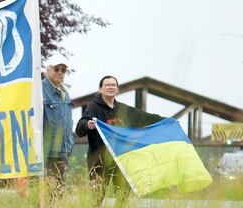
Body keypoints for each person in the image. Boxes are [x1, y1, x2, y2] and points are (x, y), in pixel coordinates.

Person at [75, 75, 163, 197]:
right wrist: (87, 125)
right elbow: (79, 129)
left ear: (117, 89)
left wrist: (166, 121)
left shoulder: (123, 109)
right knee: (97, 197)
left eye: (113, 85)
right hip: (99, 161)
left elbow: (144, 117)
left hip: (120, 160)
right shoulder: (93, 107)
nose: (110, 87)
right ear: (101, 89)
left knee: (123, 194)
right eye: (107, 85)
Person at [42, 53, 75, 186]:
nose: (60, 72)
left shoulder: (65, 92)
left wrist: (70, 143)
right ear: (48, 70)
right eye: (56, 69)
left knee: (59, 193)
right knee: (44, 192)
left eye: (63, 70)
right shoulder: (39, 90)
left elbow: (68, 121)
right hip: (46, 151)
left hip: (63, 151)